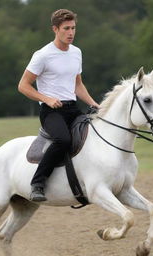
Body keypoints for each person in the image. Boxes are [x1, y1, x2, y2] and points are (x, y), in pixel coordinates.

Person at [18, 9, 99, 202]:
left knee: (95, 133)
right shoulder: (43, 55)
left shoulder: (76, 52)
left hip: (72, 108)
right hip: (51, 112)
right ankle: (37, 183)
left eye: (73, 28)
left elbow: (77, 84)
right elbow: (23, 85)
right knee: (63, 140)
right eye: (66, 29)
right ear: (55, 29)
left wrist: (94, 103)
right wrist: (46, 98)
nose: (71, 32)